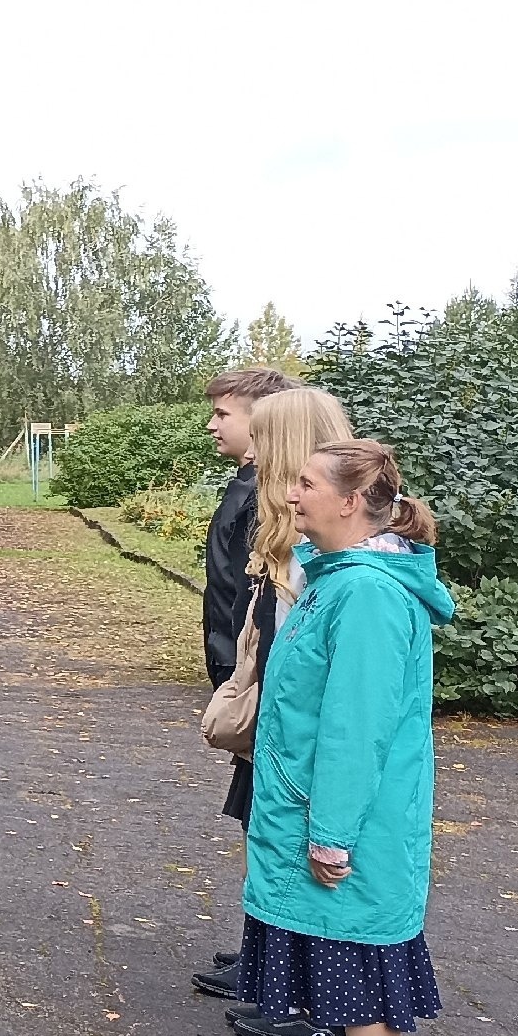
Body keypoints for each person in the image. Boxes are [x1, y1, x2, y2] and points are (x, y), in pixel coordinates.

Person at [232, 439, 452, 1036]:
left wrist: (330, 835)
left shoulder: (365, 594)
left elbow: (356, 725)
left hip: (354, 823)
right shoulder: (342, 581)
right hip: (329, 812)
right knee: (348, 969)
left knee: (364, 973)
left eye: (306, 483)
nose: (292, 495)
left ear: (350, 501)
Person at [218, 386, 354, 1036]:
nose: (255, 453)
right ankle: (288, 991)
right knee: (273, 850)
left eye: (266, 439)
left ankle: (311, 1012)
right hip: (280, 738)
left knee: (311, 865)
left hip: (303, 748)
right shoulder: (287, 538)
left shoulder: (324, 560)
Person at [191, 367, 297, 999]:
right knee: (257, 820)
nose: (212, 424)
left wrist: (242, 675)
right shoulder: (248, 487)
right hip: (245, 679)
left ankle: (275, 969)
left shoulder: (272, 497)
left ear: (263, 422)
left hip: (262, 686)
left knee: (273, 823)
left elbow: (261, 601)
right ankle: (263, 956)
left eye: (224, 414)